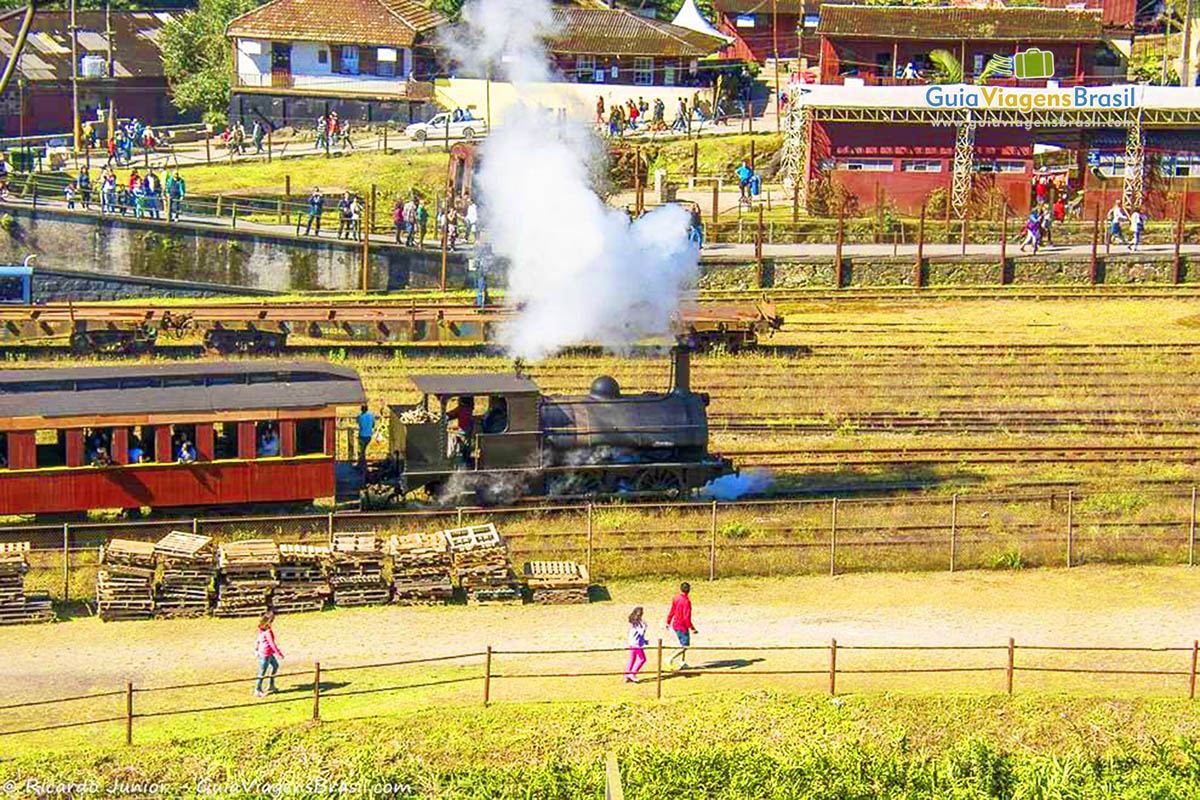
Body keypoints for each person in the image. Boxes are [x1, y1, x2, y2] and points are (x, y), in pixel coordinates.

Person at [665, 582, 698, 670]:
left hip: (676, 624)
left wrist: (668, 621)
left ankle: (682, 662)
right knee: (685, 646)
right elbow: (686, 617)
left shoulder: (676, 598)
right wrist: (692, 628)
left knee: (682, 644)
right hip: (682, 626)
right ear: (689, 590)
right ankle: (670, 658)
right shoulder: (686, 602)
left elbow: (672, 610)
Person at [254, 612, 284, 697]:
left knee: (275, 666)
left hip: (267, 653)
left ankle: (271, 685)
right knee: (262, 672)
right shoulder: (267, 631)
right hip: (265, 654)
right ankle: (257, 689)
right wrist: (279, 653)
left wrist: (256, 649)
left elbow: (258, 640)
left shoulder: (261, 629)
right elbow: (272, 643)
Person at [625, 606, 648, 683]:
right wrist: (645, 626)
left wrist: (644, 641)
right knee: (642, 659)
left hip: (631, 643)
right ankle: (633, 673)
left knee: (632, 659)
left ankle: (626, 675)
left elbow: (637, 635)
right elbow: (641, 632)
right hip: (636, 645)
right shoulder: (639, 624)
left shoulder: (633, 622)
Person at [357, 404, 375, 470]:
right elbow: (373, 425)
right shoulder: (371, 415)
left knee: (361, 451)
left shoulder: (360, 416)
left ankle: (362, 466)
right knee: (363, 451)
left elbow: (359, 423)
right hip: (369, 435)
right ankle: (362, 465)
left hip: (362, 435)